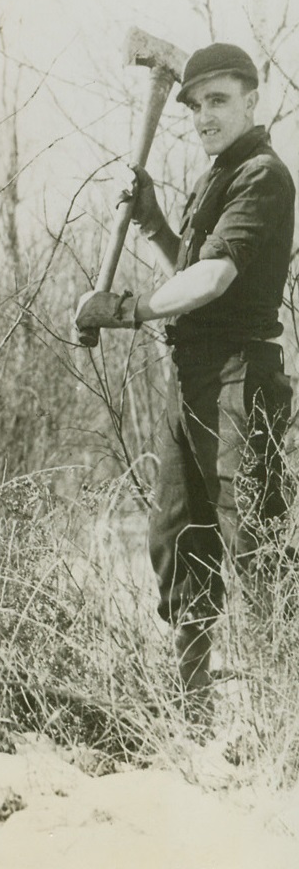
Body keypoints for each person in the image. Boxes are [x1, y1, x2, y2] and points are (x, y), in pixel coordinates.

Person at [74, 43, 295, 710]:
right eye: (195, 105)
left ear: (252, 99)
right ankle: (192, 698)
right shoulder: (217, 176)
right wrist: (153, 223)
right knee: (179, 536)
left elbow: (216, 277)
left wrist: (126, 308)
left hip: (238, 377)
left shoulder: (261, 175)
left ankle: (286, 705)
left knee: (252, 537)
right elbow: (190, 265)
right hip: (191, 376)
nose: (203, 116)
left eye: (218, 100)